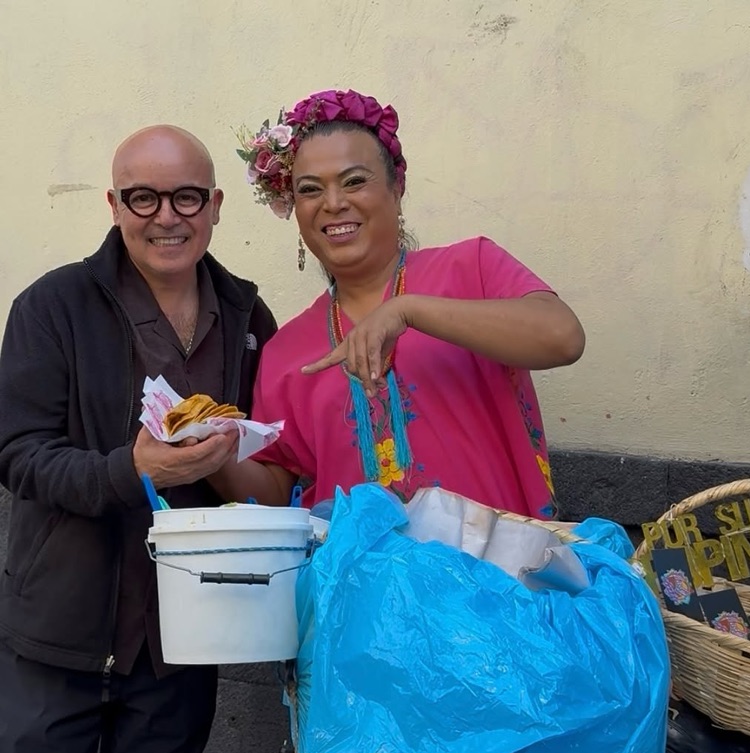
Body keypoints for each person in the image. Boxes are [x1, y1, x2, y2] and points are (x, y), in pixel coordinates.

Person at [0, 125, 277, 753]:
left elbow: (272, 462)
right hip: (58, 632)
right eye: (142, 198)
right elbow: (18, 456)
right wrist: (135, 471)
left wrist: (228, 457)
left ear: (215, 205)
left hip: (182, 639)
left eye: (185, 197)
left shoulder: (247, 316)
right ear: (114, 204)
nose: (166, 218)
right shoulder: (53, 306)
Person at [213, 88, 584, 519]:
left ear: (397, 188)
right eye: (310, 190)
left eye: (354, 181)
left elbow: (562, 337)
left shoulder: (471, 268)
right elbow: (277, 493)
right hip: (364, 584)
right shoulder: (285, 351)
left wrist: (407, 310)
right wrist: (215, 459)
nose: (333, 204)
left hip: (499, 576)